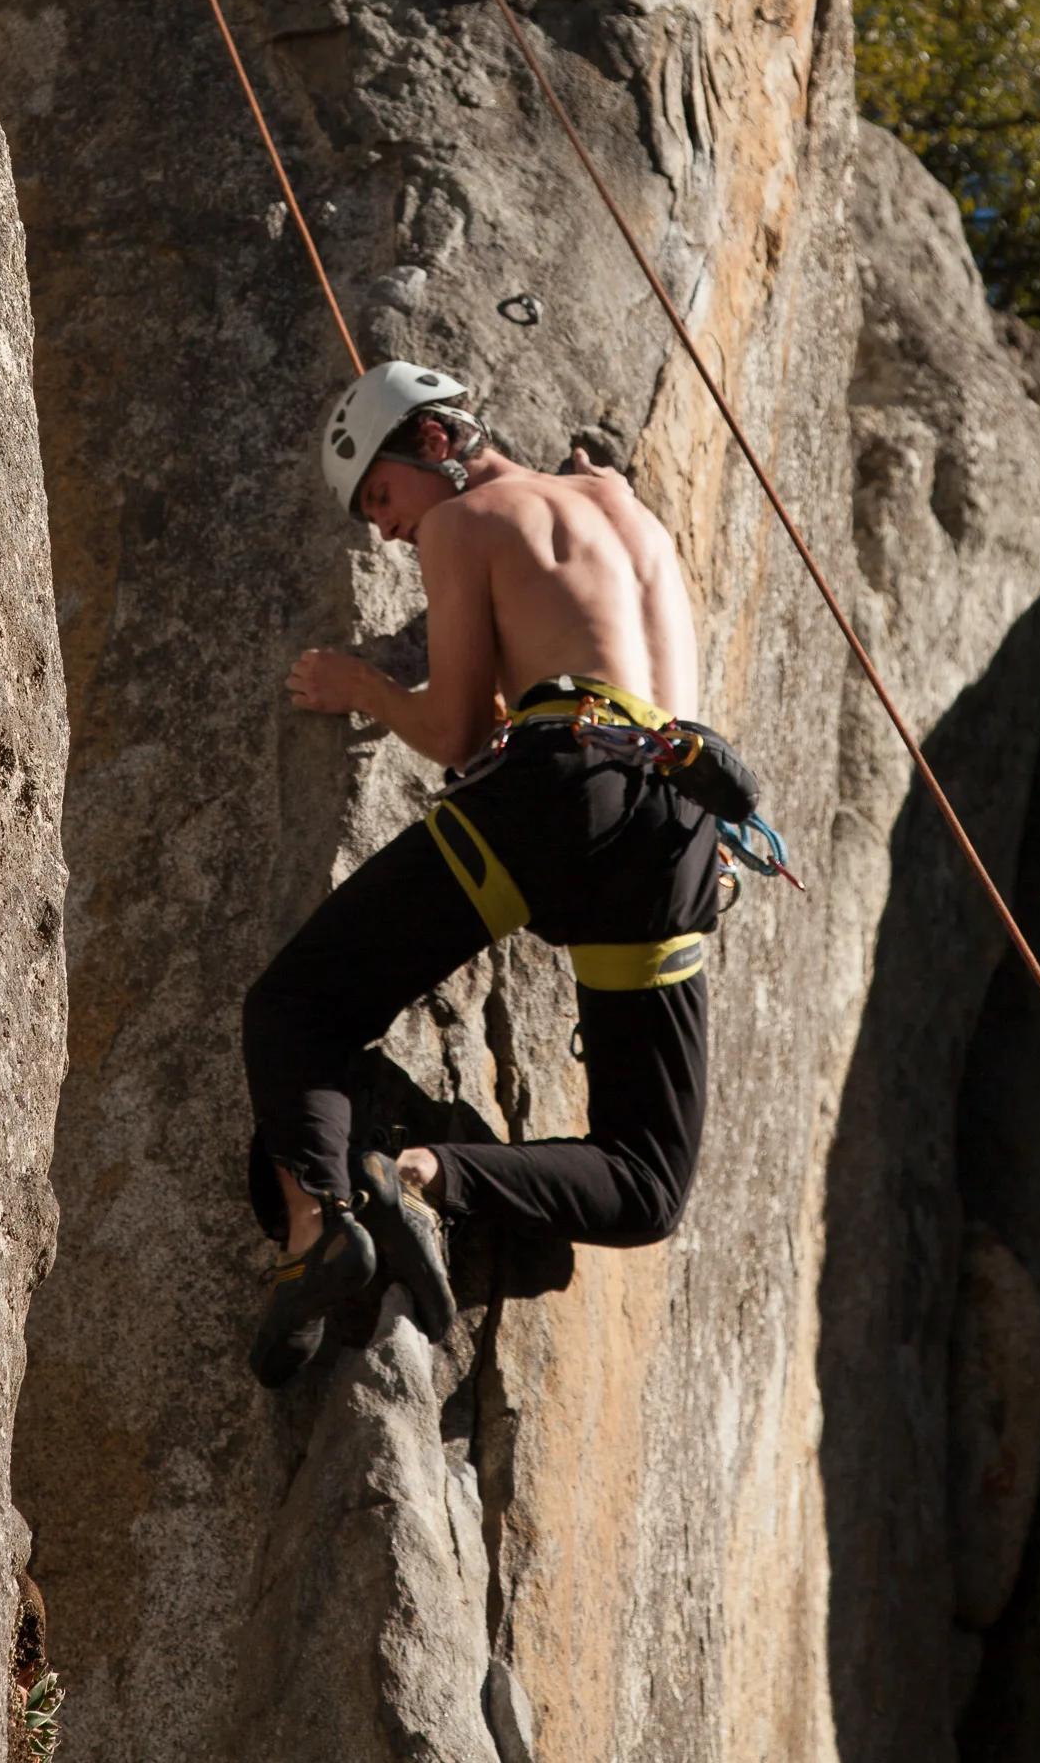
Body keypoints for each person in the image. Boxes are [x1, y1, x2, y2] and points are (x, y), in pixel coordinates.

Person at [242, 360, 761, 1389]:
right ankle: (422, 1184)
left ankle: (319, 1230)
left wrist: (360, 686)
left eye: (380, 497)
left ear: (434, 444)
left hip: (561, 796)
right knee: (645, 1179)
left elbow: (454, 731)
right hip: (682, 824)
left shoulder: (464, 521)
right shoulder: (619, 504)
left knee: (297, 1003)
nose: (383, 530)